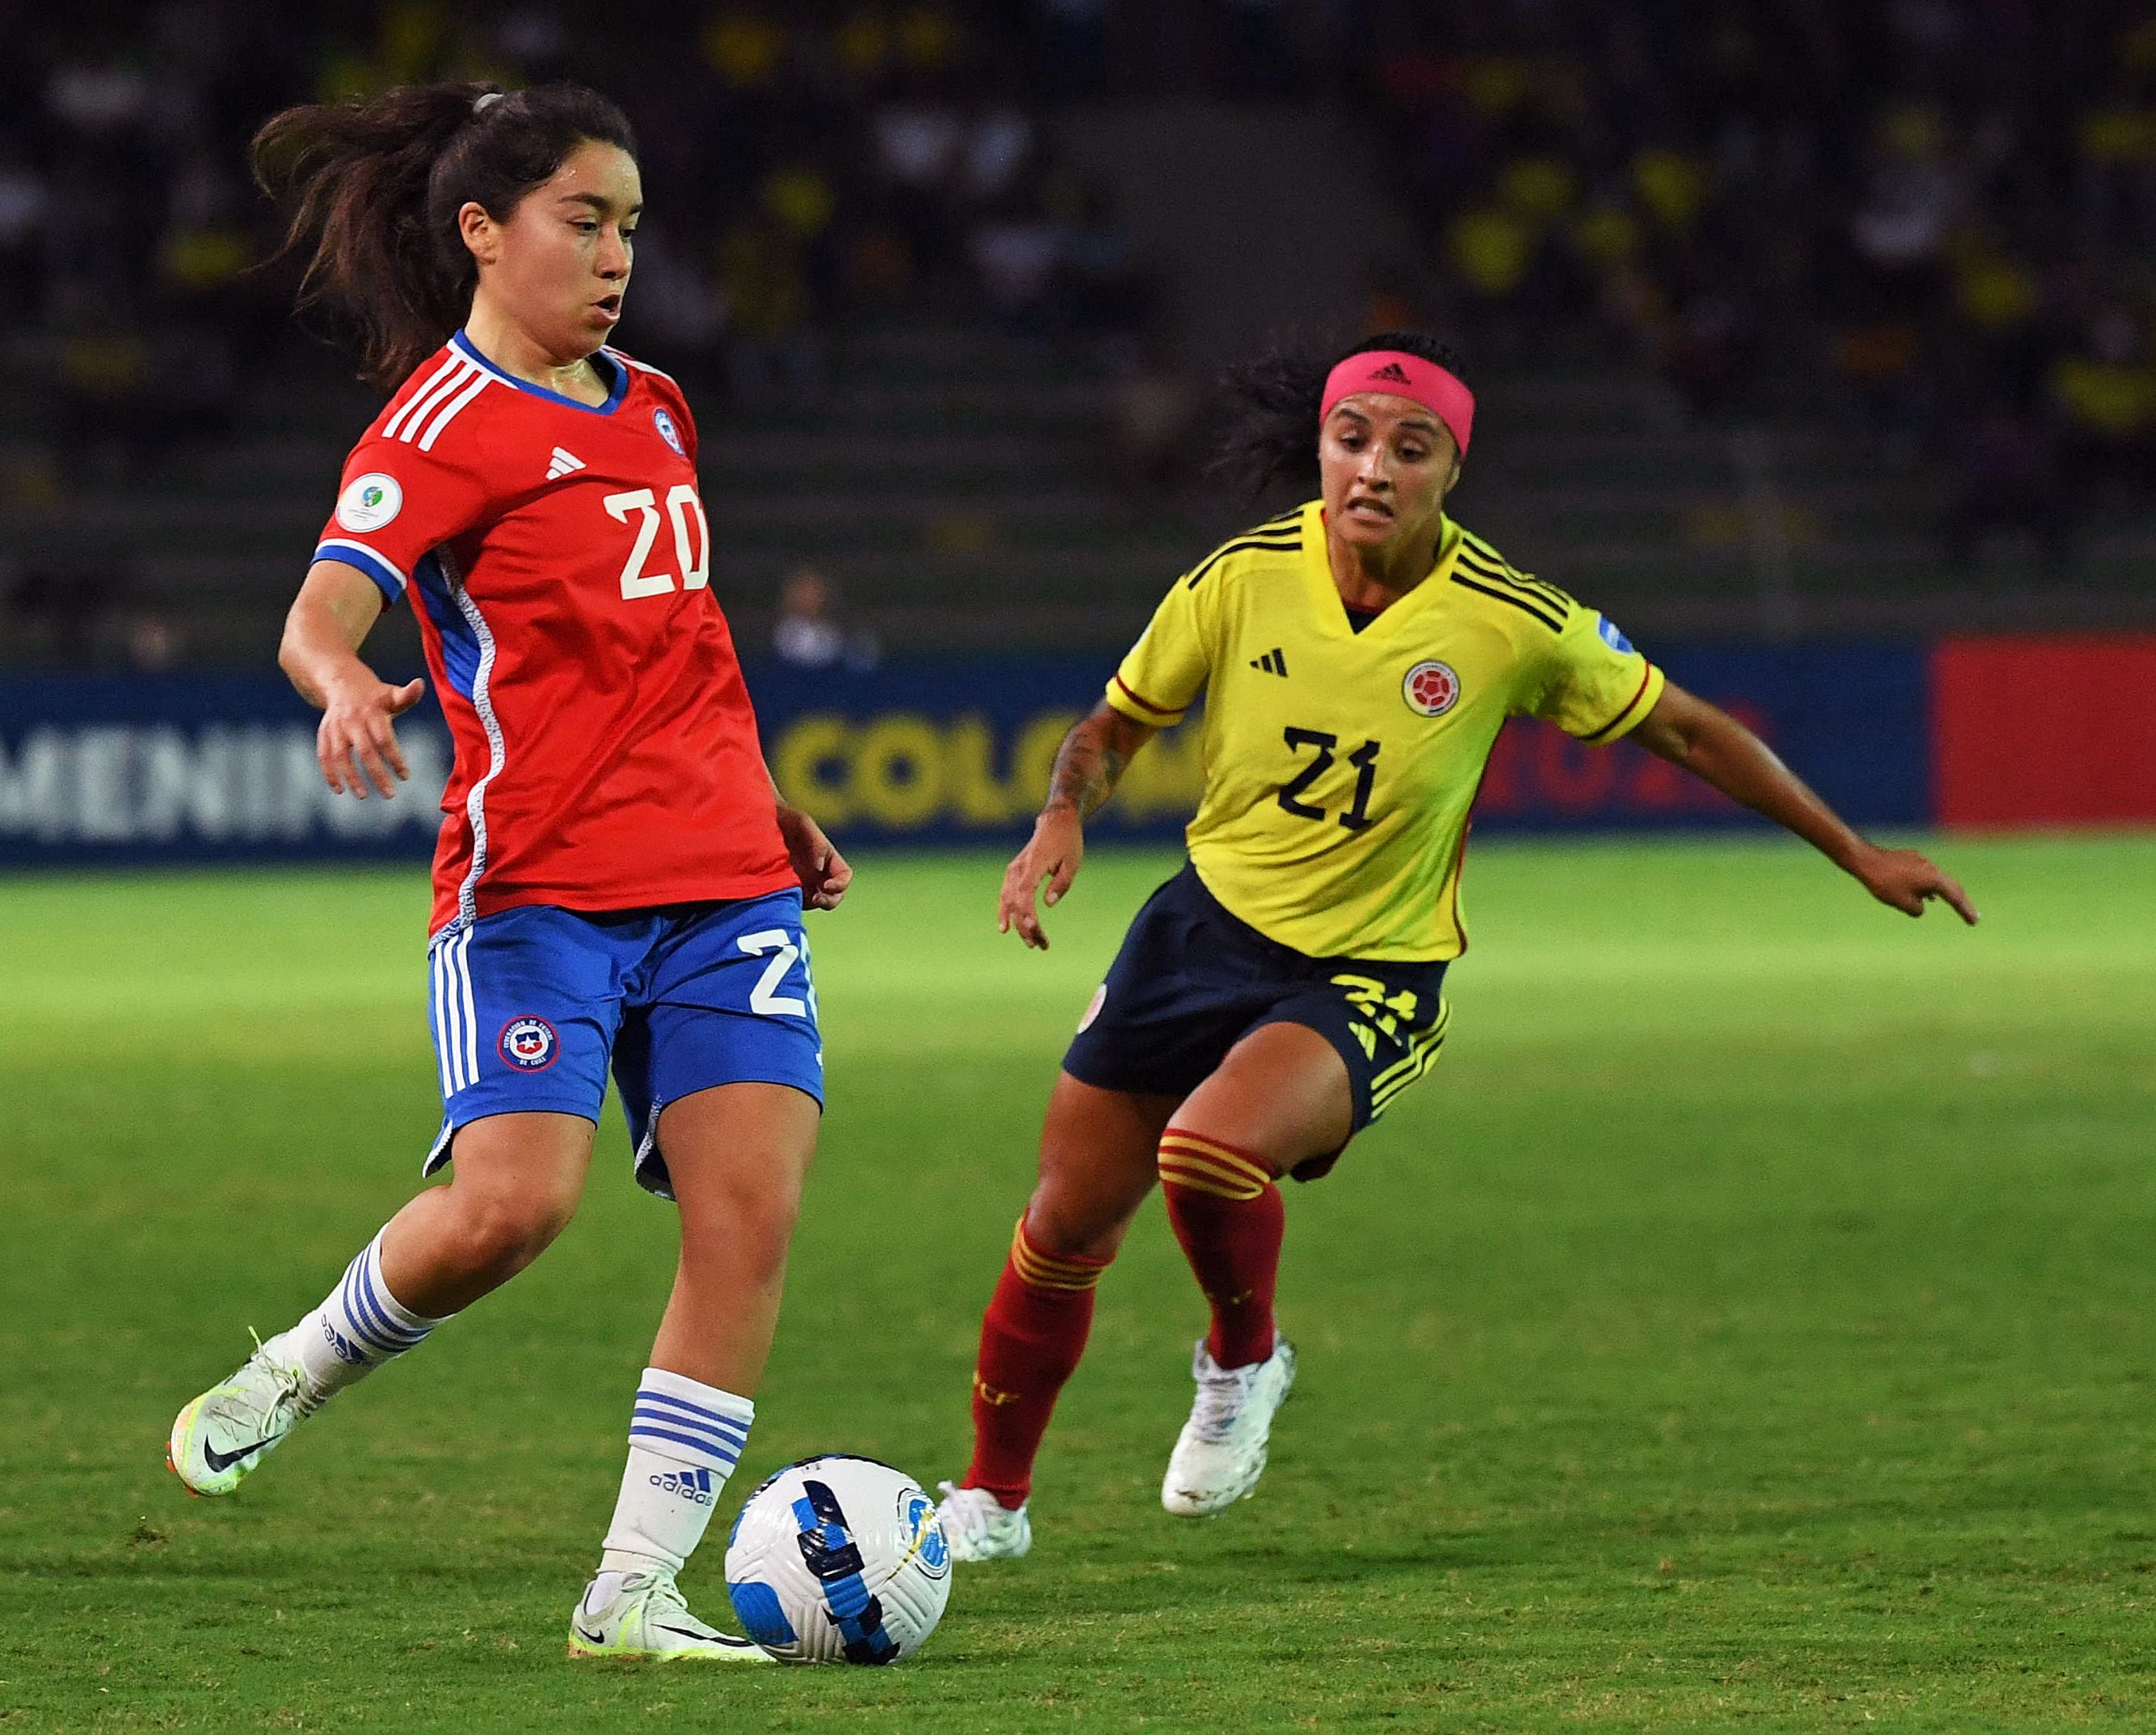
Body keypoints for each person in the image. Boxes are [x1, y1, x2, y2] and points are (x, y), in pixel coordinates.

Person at [934, 332, 1977, 1562]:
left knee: (1207, 1153)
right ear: (1320, 449)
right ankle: (991, 1503)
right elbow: (1114, 724)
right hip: (1198, 929)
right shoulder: (1243, 575)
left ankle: (1241, 1358)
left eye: (1408, 447)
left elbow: (1691, 732)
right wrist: (1062, 810)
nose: (1372, 468)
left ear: (1451, 470)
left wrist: (1853, 850)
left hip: (1367, 972)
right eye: (1350, 439)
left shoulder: (1512, 621)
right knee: (1062, 1225)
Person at [163, 82, 852, 1663]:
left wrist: (767, 800)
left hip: (719, 878)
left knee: (748, 1213)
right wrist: (343, 687)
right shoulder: (439, 428)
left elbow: (686, 640)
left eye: (629, 227)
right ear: (484, 230)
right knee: (508, 1215)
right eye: (582, 222)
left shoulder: (659, 404)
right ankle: (303, 1363)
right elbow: (320, 615)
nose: (616, 257)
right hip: (534, 889)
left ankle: (630, 1595)